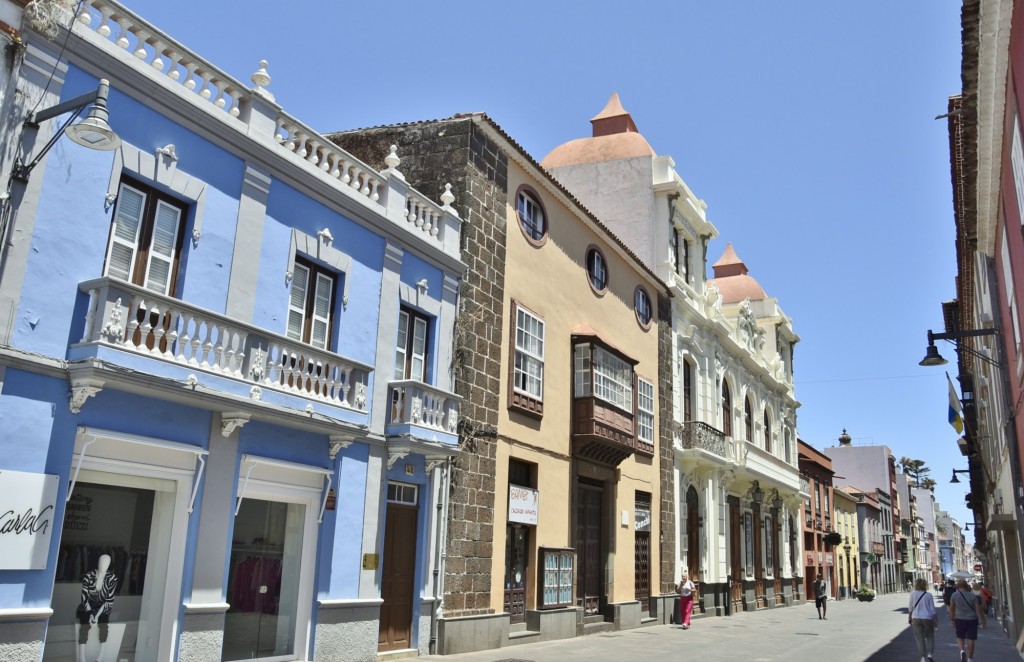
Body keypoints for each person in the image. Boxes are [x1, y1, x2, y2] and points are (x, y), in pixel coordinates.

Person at [77, 554, 118, 662]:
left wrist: (97, 616)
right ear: (97, 562)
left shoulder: (112, 578)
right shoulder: (88, 576)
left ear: (109, 564)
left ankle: (100, 657)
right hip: (88, 606)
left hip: (103, 608)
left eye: (106, 562)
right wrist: (90, 613)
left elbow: (109, 600)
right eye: (101, 561)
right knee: (85, 623)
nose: (103, 564)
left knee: (104, 623)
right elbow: (84, 598)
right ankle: (82, 657)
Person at [948, 578, 986, 662]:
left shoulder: (954, 595)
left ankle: (962, 651)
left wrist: (952, 619)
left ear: (958, 586)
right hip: (972, 619)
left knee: (960, 637)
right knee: (971, 639)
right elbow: (978, 609)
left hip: (959, 619)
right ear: (966, 586)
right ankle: (970, 658)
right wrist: (980, 619)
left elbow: (951, 608)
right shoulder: (972, 595)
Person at [909, 577, 939, 662]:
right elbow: (933, 609)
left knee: (919, 638)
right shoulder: (928, 595)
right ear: (925, 585)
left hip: (916, 617)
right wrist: (935, 619)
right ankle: (930, 654)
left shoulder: (913, 594)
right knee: (930, 636)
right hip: (928, 618)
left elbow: (910, 607)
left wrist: (909, 616)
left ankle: (922, 657)